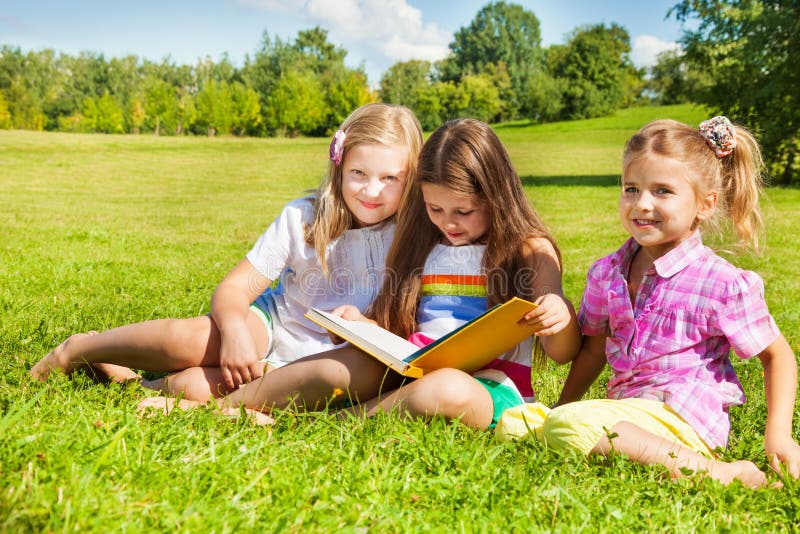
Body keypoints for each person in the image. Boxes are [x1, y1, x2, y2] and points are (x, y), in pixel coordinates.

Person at [139, 118, 581, 429]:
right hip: (412, 370)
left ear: (498, 196)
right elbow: (409, 329)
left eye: (464, 211)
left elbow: (563, 350)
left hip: (492, 390)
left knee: (448, 390)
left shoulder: (527, 247)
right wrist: (366, 327)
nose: (448, 221)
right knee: (348, 365)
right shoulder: (424, 245)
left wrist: (556, 312)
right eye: (434, 208)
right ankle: (224, 403)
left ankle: (326, 422)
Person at [30, 103, 424, 402]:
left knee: (192, 387)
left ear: (411, 178)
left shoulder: (413, 236)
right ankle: (81, 348)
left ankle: (139, 385)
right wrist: (235, 332)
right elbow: (235, 290)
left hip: (325, 359)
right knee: (192, 339)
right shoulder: (304, 218)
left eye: (390, 178)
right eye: (359, 173)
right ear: (339, 166)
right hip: (274, 324)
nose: (372, 191)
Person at [496, 116, 800, 488]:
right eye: (630, 189)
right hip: (629, 413)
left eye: (662, 191)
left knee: (565, 426)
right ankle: (588, 431)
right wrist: (564, 405)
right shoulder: (606, 273)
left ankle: (722, 473)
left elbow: (777, 355)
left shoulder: (720, 282)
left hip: (685, 420)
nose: (641, 204)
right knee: (517, 421)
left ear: (705, 204)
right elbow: (591, 352)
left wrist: (779, 434)